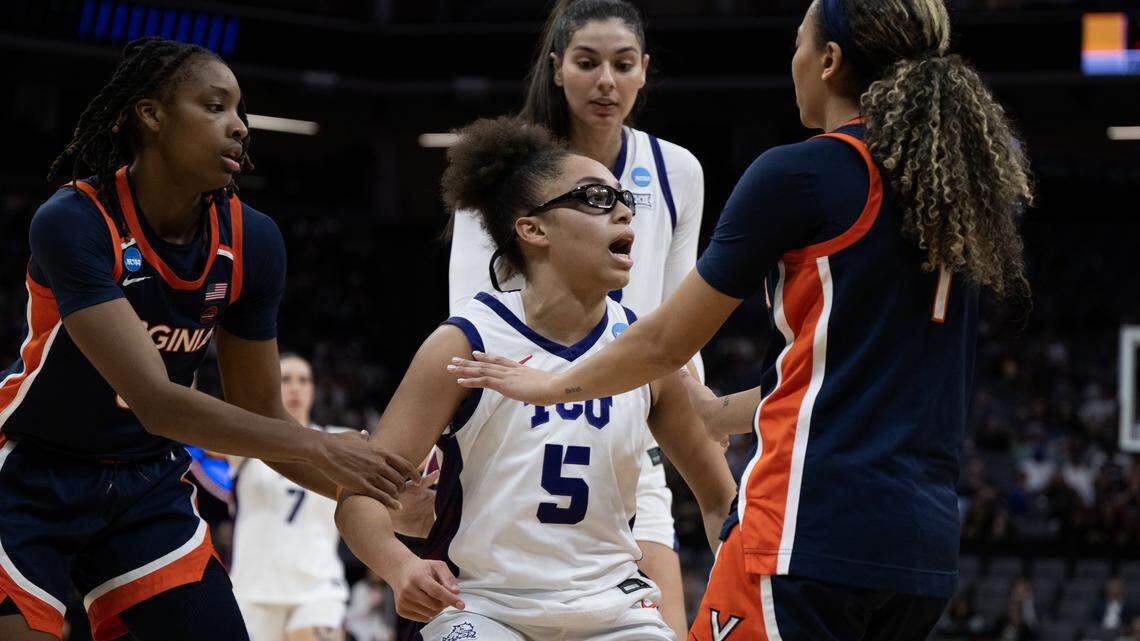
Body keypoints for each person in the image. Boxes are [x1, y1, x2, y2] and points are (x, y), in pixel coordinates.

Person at [446, 0, 1034, 638]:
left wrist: (546, 383)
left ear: (829, 60)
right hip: (921, 551)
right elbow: (839, 381)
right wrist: (708, 413)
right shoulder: (953, 198)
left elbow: (667, 340)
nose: (794, 62)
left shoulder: (805, 173)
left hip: (808, 531)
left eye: (799, 44)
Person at [0, 37, 413, 641]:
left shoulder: (253, 241)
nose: (240, 126)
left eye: (241, 112)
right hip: (33, 474)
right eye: (216, 107)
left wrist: (396, 498)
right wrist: (322, 447)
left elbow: (262, 417)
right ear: (151, 114)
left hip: (147, 486)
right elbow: (157, 401)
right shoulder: (74, 221)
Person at [337, 117, 736, 641]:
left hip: (615, 611)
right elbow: (358, 498)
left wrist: (744, 589)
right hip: (482, 605)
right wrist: (399, 567)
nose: (620, 208)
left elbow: (718, 499)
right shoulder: (466, 342)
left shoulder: (646, 352)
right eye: (594, 197)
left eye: (622, 199)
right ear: (533, 228)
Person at [447, 1, 705, 634]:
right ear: (558, 68)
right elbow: (467, 317)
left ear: (645, 70)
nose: (606, 82)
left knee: (661, 623)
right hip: (515, 435)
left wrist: (696, 408)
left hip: (629, 427)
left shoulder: (677, 171)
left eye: (623, 64)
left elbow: (683, 321)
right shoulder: (509, 174)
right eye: (588, 63)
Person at [231, 353, 412, 641]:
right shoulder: (248, 444)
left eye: (303, 380)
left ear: (314, 390)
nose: (294, 388)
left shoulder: (340, 442)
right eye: (285, 379)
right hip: (253, 589)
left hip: (318, 587)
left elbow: (397, 455)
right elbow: (195, 429)